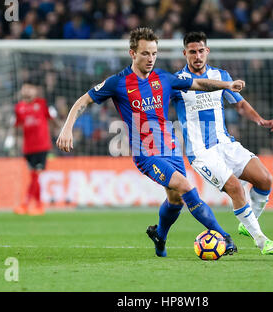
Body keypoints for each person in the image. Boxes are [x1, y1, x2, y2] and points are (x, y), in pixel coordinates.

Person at [56, 27, 245, 257]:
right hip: (146, 153)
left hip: (172, 148)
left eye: (154, 53)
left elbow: (199, 84)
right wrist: (67, 127)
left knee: (175, 200)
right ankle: (223, 236)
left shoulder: (163, 77)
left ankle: (160, 236)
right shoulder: (118, 82)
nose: (151, 58)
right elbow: (83, 101)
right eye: (145, 53)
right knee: (185, 187)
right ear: (132, 53)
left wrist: (227, 85)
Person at [171, 31, 273, 255]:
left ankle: (247, 223)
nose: (197, 56)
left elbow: (241, 105)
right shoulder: (178, 82)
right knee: (235, 187)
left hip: (225, 144)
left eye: (201, 51)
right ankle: (262, 240)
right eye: (192, 52)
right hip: (201, 152)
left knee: (265, 179)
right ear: (185, 53)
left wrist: (260, 120)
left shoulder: (221, 75)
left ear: (208, 52)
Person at [5, 82, 57, 216]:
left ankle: (25, 204)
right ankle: (39, 206)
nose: (27, 90)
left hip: (42, 145)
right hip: (28, 148)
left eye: (30, 88)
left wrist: (62, 130)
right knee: (34, 176)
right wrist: (11, 139)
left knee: (35, 175)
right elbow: (16, 125)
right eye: (25, 88)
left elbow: (53, 120)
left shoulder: (42, 104)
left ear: (35, 90)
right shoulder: (19, 108)